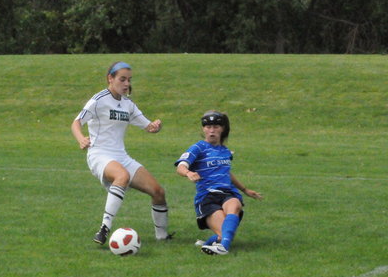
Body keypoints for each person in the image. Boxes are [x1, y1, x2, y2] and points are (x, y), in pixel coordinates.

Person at [71, 61, 172, 245]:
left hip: (121, 157)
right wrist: (81, 139)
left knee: (158, 192)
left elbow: (148, 127)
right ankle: (104, 229)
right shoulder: (99, 99)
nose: (127, 84)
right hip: (99, 154)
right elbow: (76, 122)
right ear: (110, 78)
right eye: (122, 79)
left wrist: (155, 126)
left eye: (129, 80)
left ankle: (162, 237)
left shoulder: (128, 104)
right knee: (122, 176)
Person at [174, 110, 262, 255]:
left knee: (235, 204)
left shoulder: (225, 151)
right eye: (208, 127)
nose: (212, 130)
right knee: (224, 233)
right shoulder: (198, 148)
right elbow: (180, 167)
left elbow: (226, 172)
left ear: (222, 129)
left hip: (227, 193)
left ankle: (222, 248)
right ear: (203, 129)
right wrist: (188, 173)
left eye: (216, 127)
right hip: (207, 197)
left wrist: (245, 190)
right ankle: (213, 242)